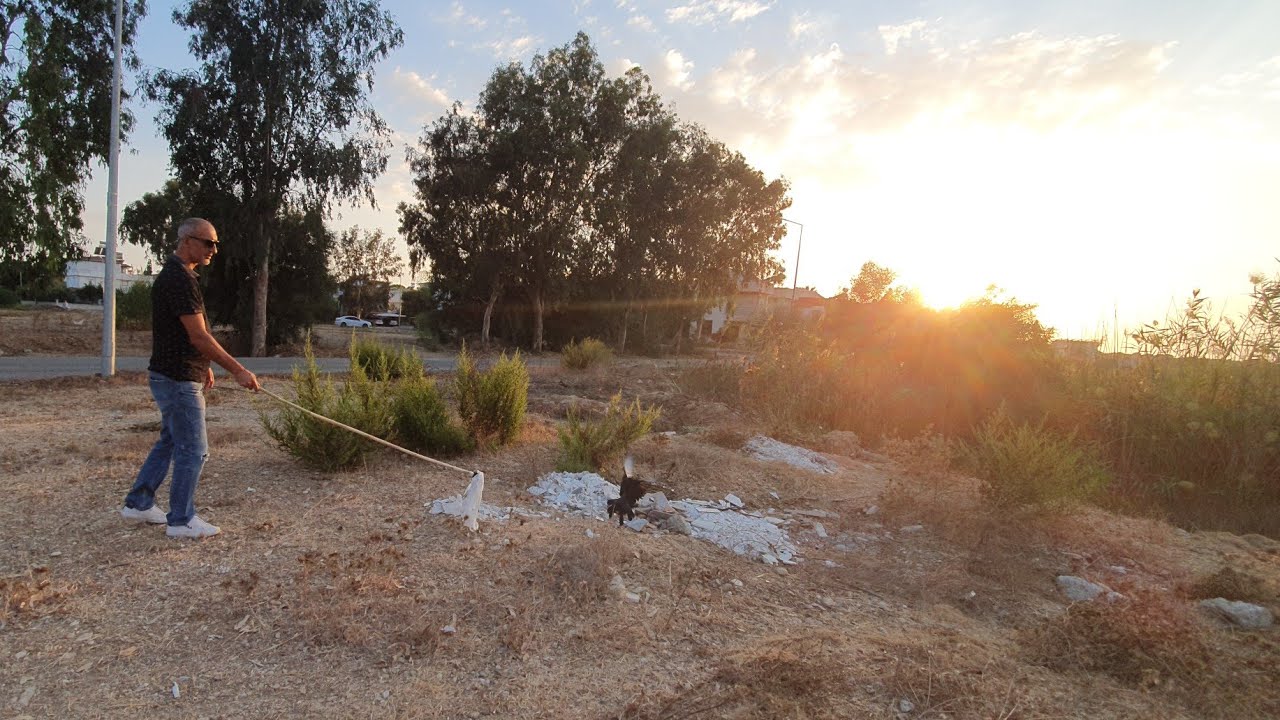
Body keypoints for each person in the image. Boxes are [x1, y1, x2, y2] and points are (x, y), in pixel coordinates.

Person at [120, 217, 260, 539]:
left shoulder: (179, 276)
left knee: (171, 440)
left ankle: (138, 503)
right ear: (187, 241)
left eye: (215, 243)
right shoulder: (180, 279)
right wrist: (237, 369)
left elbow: (186, 333)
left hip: (174, 373)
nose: (214, 249)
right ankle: (181, 520)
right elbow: (198, 336)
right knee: (194, 450)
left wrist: (205, 364)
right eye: (208, 242)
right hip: (178, 379)